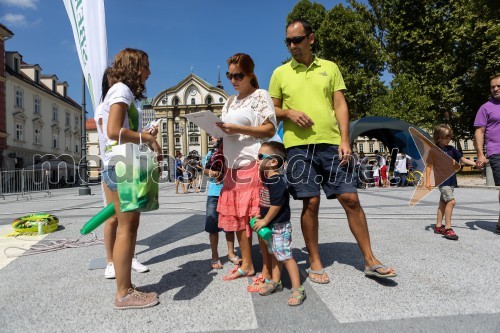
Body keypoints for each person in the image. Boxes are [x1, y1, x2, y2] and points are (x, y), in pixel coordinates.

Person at [269, 18, 396, 283]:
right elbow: (272, 109)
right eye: (288, 41)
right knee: (310, 202)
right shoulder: (280, 73)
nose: (292, 45)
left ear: (311, 39)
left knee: (350, 198)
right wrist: (289, 112)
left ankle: (370, 259)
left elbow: (340, 105)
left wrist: (345, 139)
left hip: (331, 142)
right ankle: (315, 261)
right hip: (298, 147)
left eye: (297, 40)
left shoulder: (330, 68)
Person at [101, 48, 161, 309]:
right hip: (122, 164)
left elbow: (115, 130)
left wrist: (142, 132)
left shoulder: (118, 92)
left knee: (125, 226)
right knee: (128, 228)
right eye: (146, 66)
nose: (149, 72)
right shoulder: (122, 90)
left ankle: (125, 287)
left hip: (116, 163)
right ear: (135, 67)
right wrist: (146, 137)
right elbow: (113, 131)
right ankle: (124, 293)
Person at [215, 53, 277, 281]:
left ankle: (269, 269)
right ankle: (248, 264)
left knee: (255, 217)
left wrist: (238, 129)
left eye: (238, 75)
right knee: (240, 220)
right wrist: (218, 132)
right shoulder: (230, 101)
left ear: (250, 74)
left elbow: (269, 129)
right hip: (232, 167)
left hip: (252, 163)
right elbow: (227, 130)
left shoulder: (260, 96)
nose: (233, 80)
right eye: (230, 75)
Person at [94, 68, 150, 280]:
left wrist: (145, 135)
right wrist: (144, 137)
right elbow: (110, 132)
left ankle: (127, 258)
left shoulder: (130, 102)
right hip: (115, 161)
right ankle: (111, 262)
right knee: (114, 217)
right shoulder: (109, 102)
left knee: (128, 221)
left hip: (129, 160)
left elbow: (128, 131)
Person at [252, 141, 306, 306]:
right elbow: (266, 203)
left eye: (261, 157)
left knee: (285, 256)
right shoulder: (268, 180)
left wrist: (265, 220)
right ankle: (276, 282)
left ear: (274, 161)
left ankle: (298, 288)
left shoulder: (276, 181)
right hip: (271, 226)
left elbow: (277, 205)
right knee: (276, 254)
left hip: (279, 226)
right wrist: (259, 216)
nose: (257, 160)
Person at [425, 124, 476, 240]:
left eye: (450, 137)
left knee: (443, 203)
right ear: (439, 137)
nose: (449, 139)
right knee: (451, 202)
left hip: (451, 180)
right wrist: (427, 181)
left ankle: (438, 226)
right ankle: (448, 228)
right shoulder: (433, 151)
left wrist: (475, 164)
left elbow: (462, 159)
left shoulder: (451, 149)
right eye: (446, 137)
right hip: (442, 181)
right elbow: (428, 166)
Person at [203, 136, 240, 269]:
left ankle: (231, 253)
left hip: (229, 191)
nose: (214, 138)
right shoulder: (211, 153)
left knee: (229, 225)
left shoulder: (232, 152)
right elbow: (205, 170)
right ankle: (215, 256)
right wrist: (210, 172)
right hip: (214, 192)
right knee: (212, 225)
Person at [474, 75, 500, 234]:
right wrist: (480, 154)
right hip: (497, 151)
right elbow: (479, 131)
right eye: (492, 87)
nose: (495, 89)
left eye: (498, 86)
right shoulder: (486, 107)